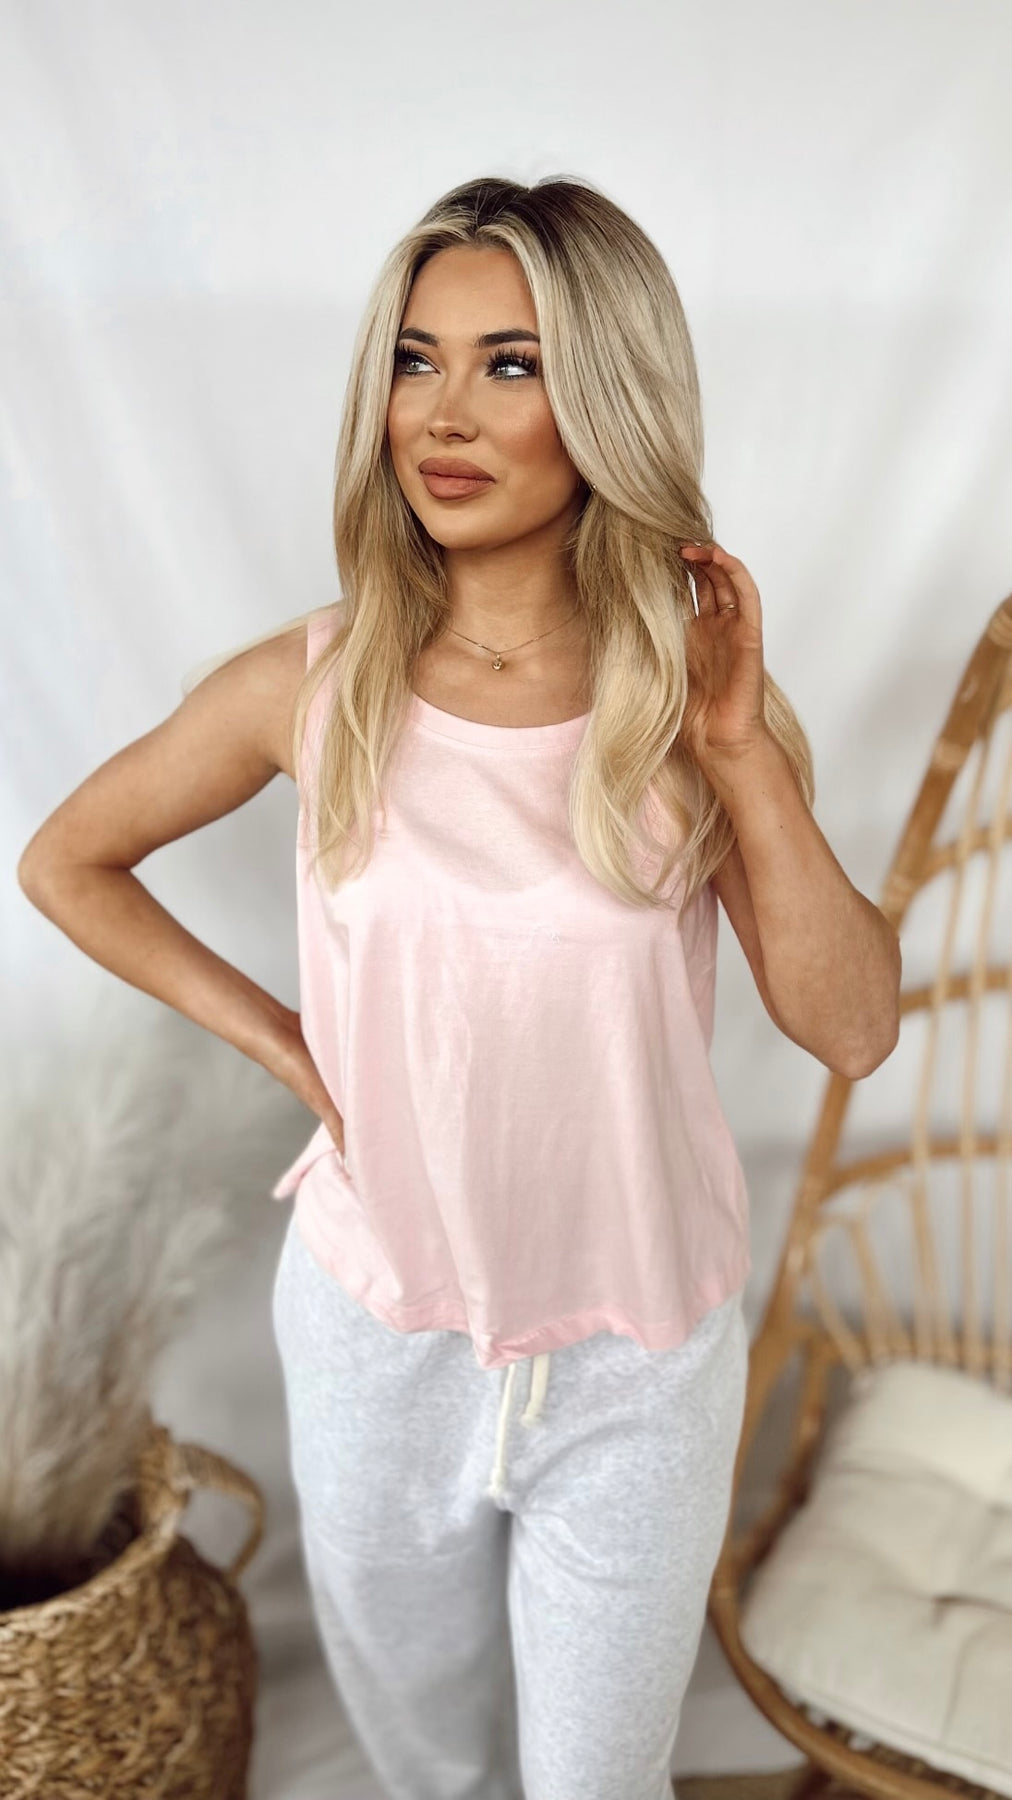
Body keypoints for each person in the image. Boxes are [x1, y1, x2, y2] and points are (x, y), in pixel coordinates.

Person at [17, 174, 901, 1800]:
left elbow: (851, 1027)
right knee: (424, 1769)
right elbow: (66, 859)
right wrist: (280, 1040)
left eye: (511, 365)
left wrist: (741, 759)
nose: (444, 412)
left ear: (606, 400)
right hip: (378, 1333)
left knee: (598, 1781)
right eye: (417, 359)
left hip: (639, 1349)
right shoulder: (317, 681)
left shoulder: (687, 706)